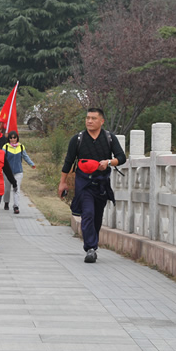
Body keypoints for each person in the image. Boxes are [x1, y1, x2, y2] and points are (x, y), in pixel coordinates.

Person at [58, 108, 127, 263]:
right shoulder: (77, 139)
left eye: (93, 118)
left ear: (101, 121)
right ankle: (90, 248)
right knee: (87, 213)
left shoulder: (109, 138)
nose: (89, 121)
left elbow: (122, 157)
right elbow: (68, 162)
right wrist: (63, 182)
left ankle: (92, 244)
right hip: (83, 183)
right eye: (87, 118)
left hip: (102, 183)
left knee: (97, 216)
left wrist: (109, 162)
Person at [2, 131, 35, 214]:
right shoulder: (6, 147)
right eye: (11, 138)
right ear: (9, 139)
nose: (13, 139)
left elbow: (25, 156)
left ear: (17, 138)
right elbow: (1, 158)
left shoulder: (21, 147)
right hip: (7, 172)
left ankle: (16, 206)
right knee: (7, 189)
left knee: (16, 188)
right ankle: (6, 202)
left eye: (14, 137)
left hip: (18, 171)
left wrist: (31, 164)